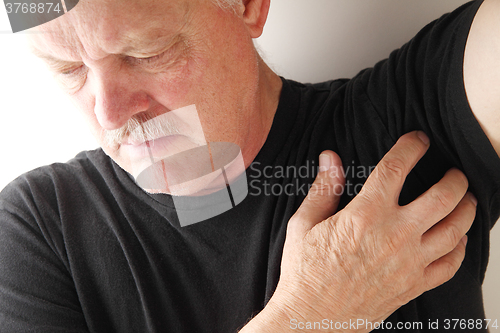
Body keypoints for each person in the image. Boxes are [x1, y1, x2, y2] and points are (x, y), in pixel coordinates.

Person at [0, 0, 499, 331]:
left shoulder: (396, 126)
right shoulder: (37, 232)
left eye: (145, 52)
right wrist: (313, 314)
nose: (107, 112)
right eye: (69, 70)